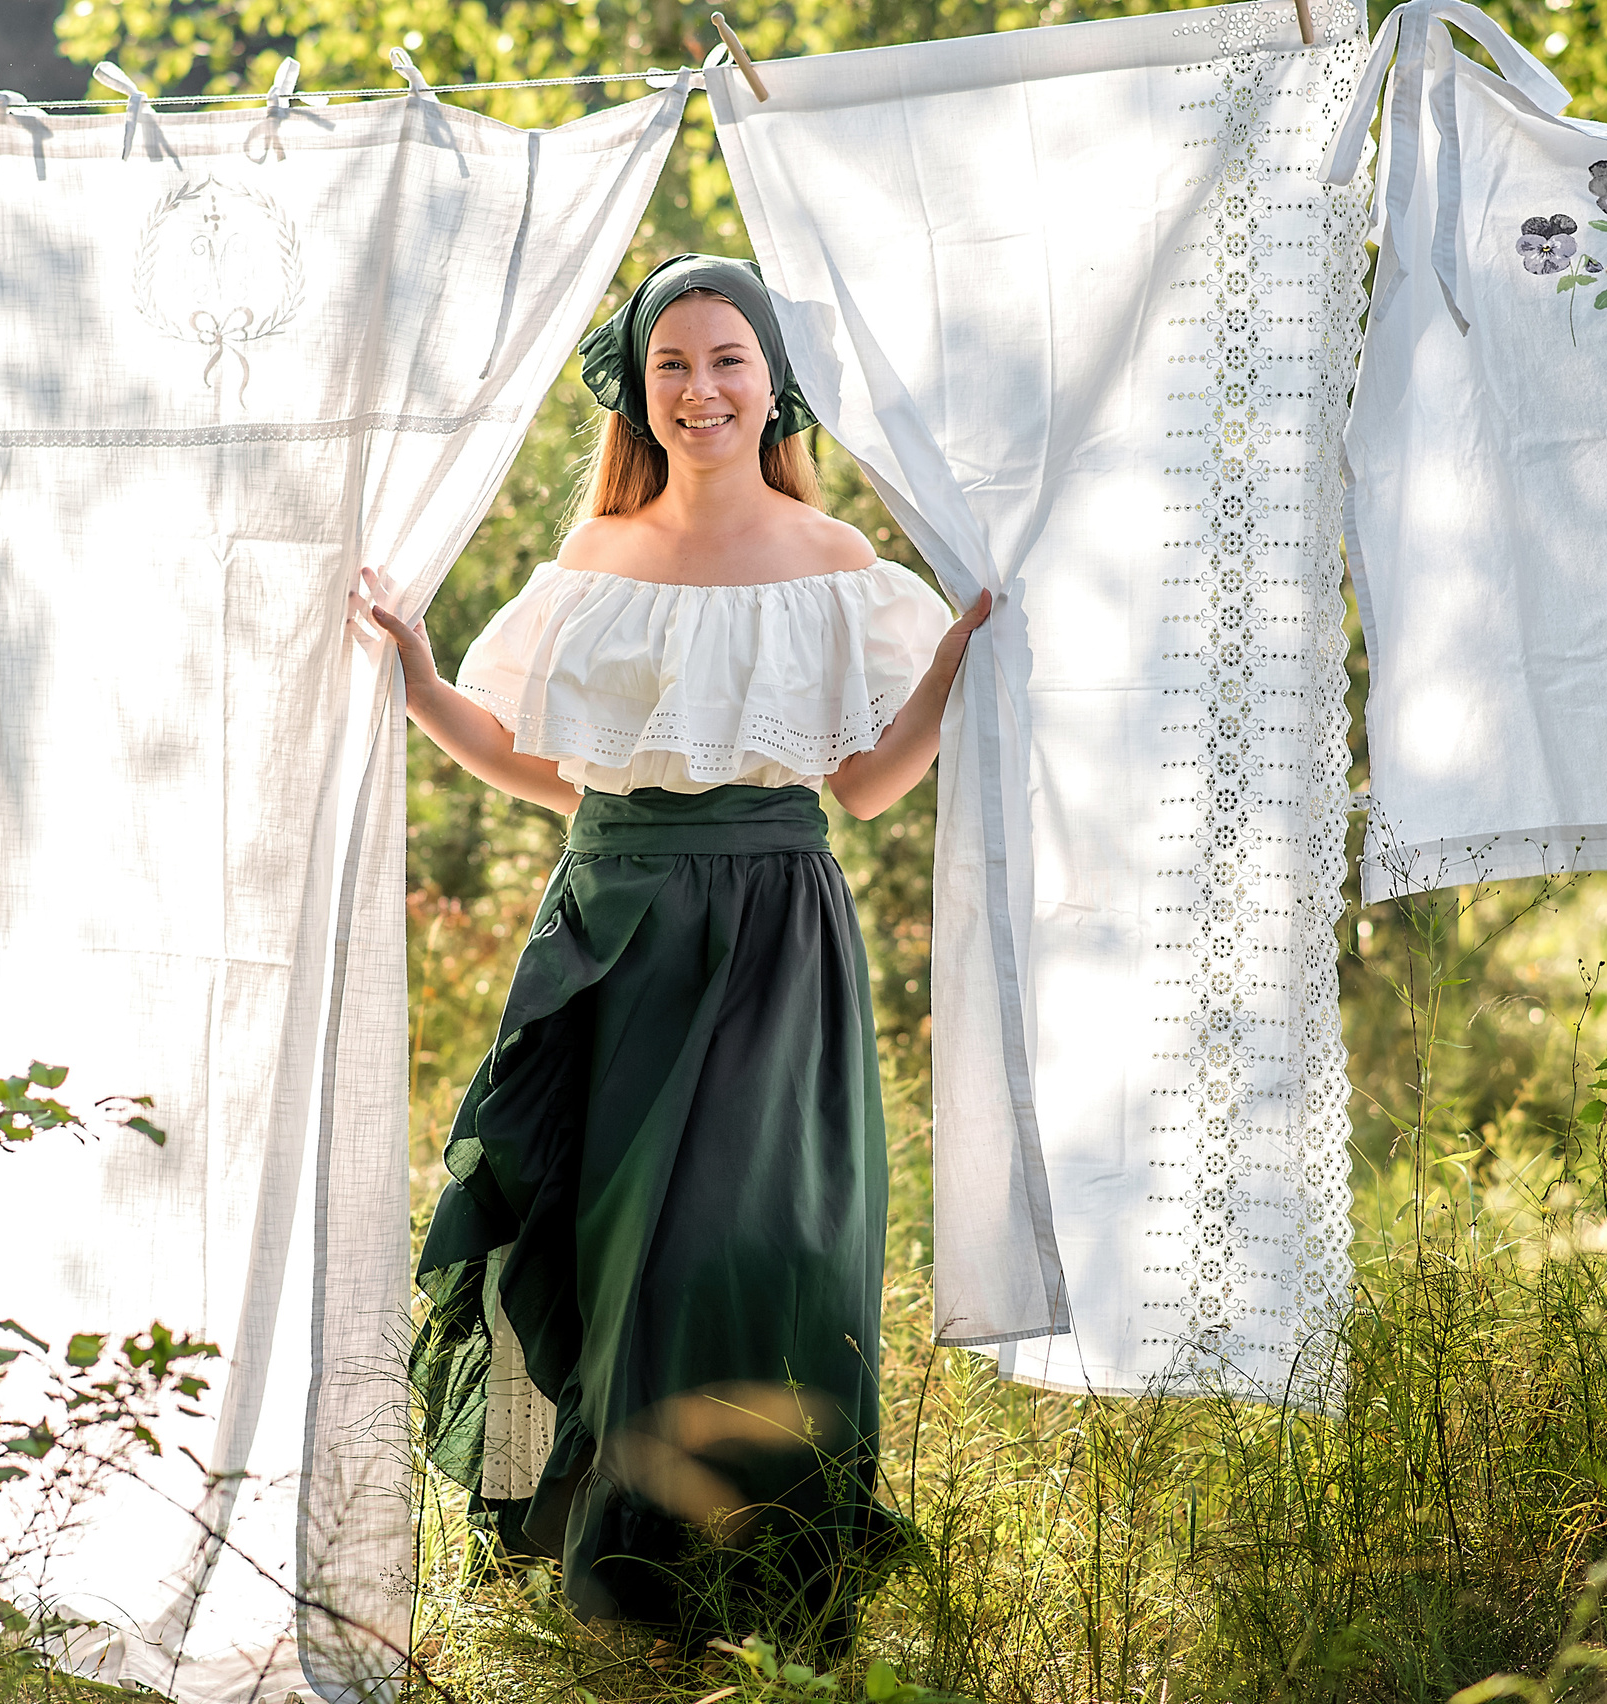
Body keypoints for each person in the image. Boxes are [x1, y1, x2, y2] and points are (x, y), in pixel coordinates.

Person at [354, 254, 991, 1653]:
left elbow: (872, 786)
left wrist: (953, 666)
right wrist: (417, 681)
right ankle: (625, 1581)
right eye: (673, 367)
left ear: (774, 384)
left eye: (727, 361)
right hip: (613, 926)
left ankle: (773, 1577)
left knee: (758, 1241)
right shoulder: (597, 561)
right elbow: (540, 765)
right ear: (639, 396)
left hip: (773, 931)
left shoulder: (835, 565)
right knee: (606, 1237)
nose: (701, 390)